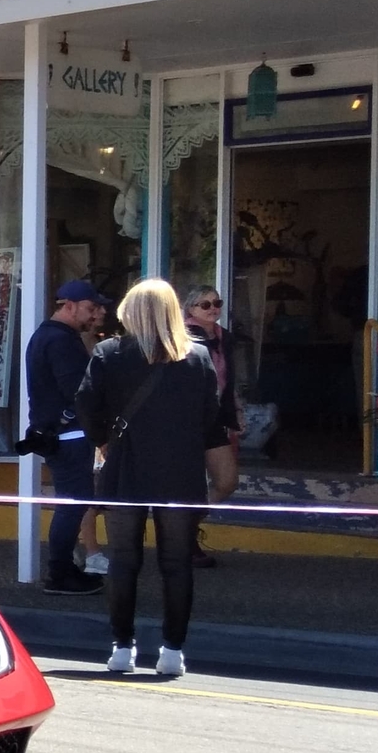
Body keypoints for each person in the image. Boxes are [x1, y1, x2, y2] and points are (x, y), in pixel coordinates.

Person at [75, 278, 226, 678]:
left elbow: (86, 404)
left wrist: (104, 440)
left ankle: (121, 647)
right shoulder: (197, 357)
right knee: (177, 562)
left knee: (124, 560)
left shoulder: (109, 353)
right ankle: (172, 650)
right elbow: (211, 416)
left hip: (125, 466)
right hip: (180, 471)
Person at [24, 279, 109, 594]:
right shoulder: (60, 340)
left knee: (72, 503)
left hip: (58, 434)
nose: (95, 315)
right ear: (68, 305)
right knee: (73, 504)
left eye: (97, 308)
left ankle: (63, 570)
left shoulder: (48, 336)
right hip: (68, 435)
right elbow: (78, 392)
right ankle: (59, 573)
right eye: (90, 308)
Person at [182, 286, 242, 568]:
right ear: (190, 310)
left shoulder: (223, 337)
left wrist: (235, 412)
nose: (213, 309)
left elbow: (228, 380)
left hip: (216, 418)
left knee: (227, 480)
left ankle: (184, 529)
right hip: (188, 420)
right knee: (189, 483)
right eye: (204, 305)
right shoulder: (180, 337)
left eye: (217, 302)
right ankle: (184, 539)